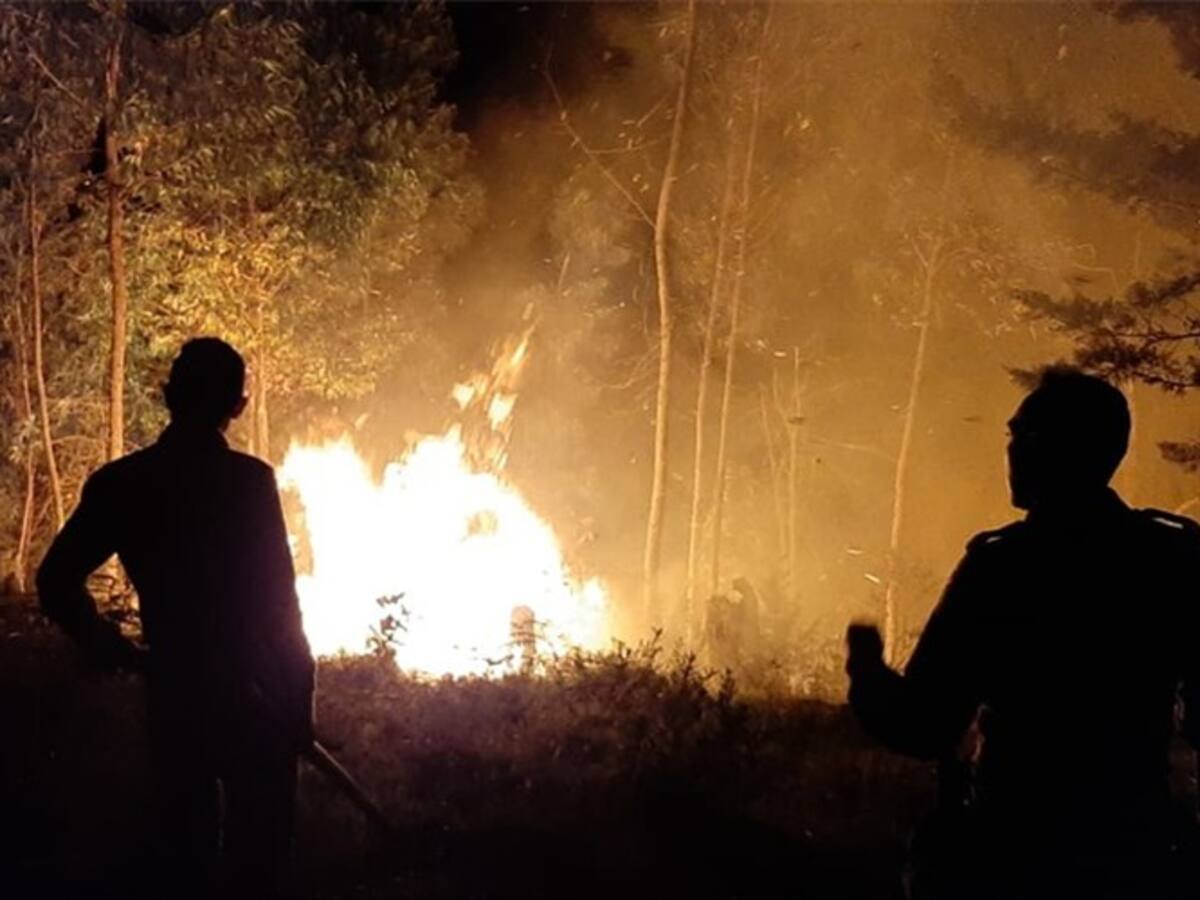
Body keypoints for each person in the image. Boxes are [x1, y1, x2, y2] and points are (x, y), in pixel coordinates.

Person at [845, 367, 1200, 900]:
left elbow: (924, 725)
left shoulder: (1002, 568)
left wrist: (866, 671)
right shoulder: (1172, 558)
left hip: (1013, 853)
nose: (1012, 453)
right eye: (1013, 437)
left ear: (1067, 448)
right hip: (1133, 849)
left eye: (1025, 436)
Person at [37, 337, 314, 898]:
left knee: (181, 853)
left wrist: (105, 644)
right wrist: (299, 700)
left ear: (166, 396)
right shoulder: (249, 482)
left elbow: (55, 580)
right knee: (258, 862)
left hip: (175, 693)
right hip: (256, 696)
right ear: (237, 407)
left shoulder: (122, 484)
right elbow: (279, 606)